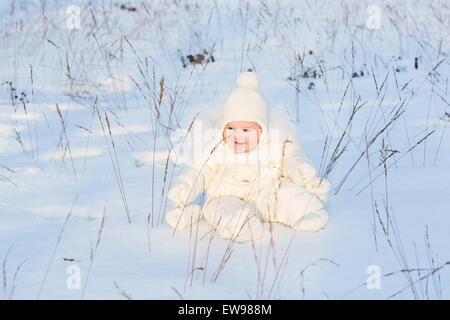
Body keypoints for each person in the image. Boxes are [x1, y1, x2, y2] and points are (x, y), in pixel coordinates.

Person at [166, 72, 330, 242]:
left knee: (286, 194)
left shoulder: (273, 144)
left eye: (246, 130)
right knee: (218, 209)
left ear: (262, 131)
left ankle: (309, 211)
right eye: (230, 128)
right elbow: (198, 170)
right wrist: (184, 186)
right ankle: (240, 224)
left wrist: (299, 167)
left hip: (265, 192)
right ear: (222, 127)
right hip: (225, 196)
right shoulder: (215, 148)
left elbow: (292, 155)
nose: (237, 135)